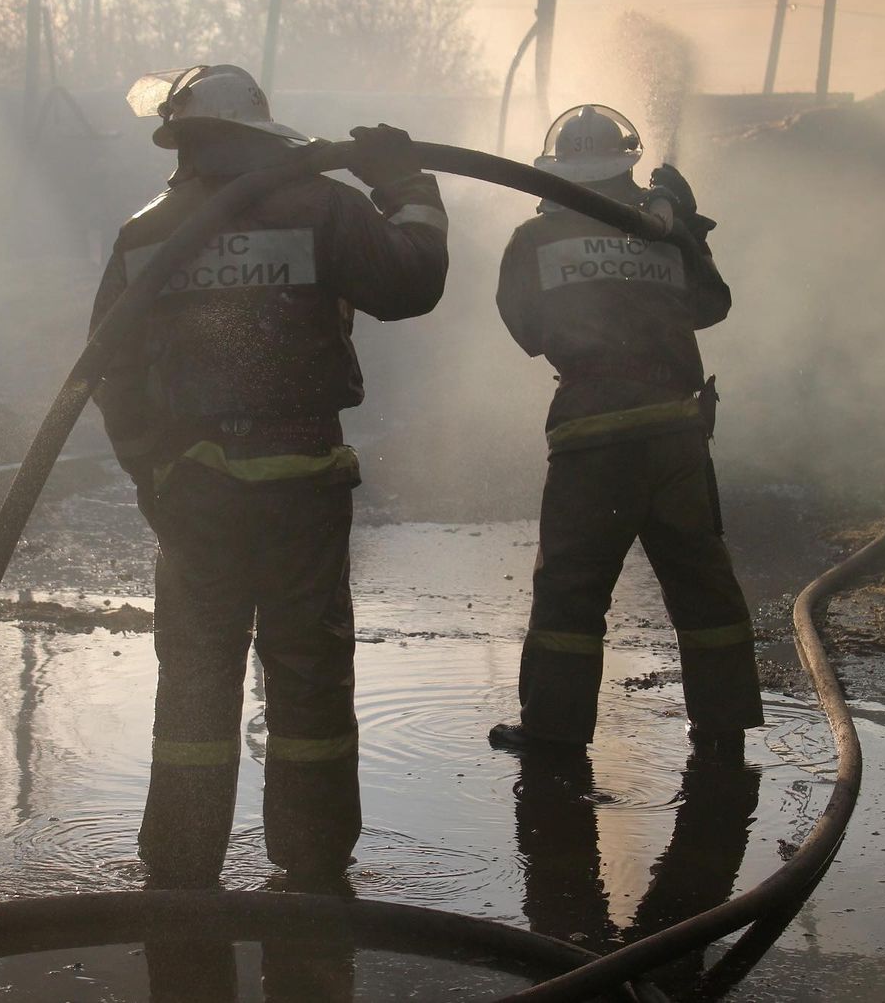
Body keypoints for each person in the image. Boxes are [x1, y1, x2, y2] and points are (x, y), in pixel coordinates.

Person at [89, 64, 448, 886]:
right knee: (309, 673)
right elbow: (412, 282)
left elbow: (111, 371)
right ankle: (313, 863)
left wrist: (153, 475)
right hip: (302, 482)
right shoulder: (322, 206)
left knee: (196, 676)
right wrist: (407, 185)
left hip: (193, 491)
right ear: (262, 134)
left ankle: (182, 864)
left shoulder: (147, 231)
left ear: (183, 140)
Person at [489, 105, 763, 755]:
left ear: (558, 170)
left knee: (572, 590)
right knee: (702, 585)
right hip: (676, 435)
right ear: (627, 163)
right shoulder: (662, 231)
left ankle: (554, 731)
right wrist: (687, 227)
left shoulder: (535, 239)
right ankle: (723, 724)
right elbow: (712, 305)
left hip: (593, 438)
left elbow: (526, 329)